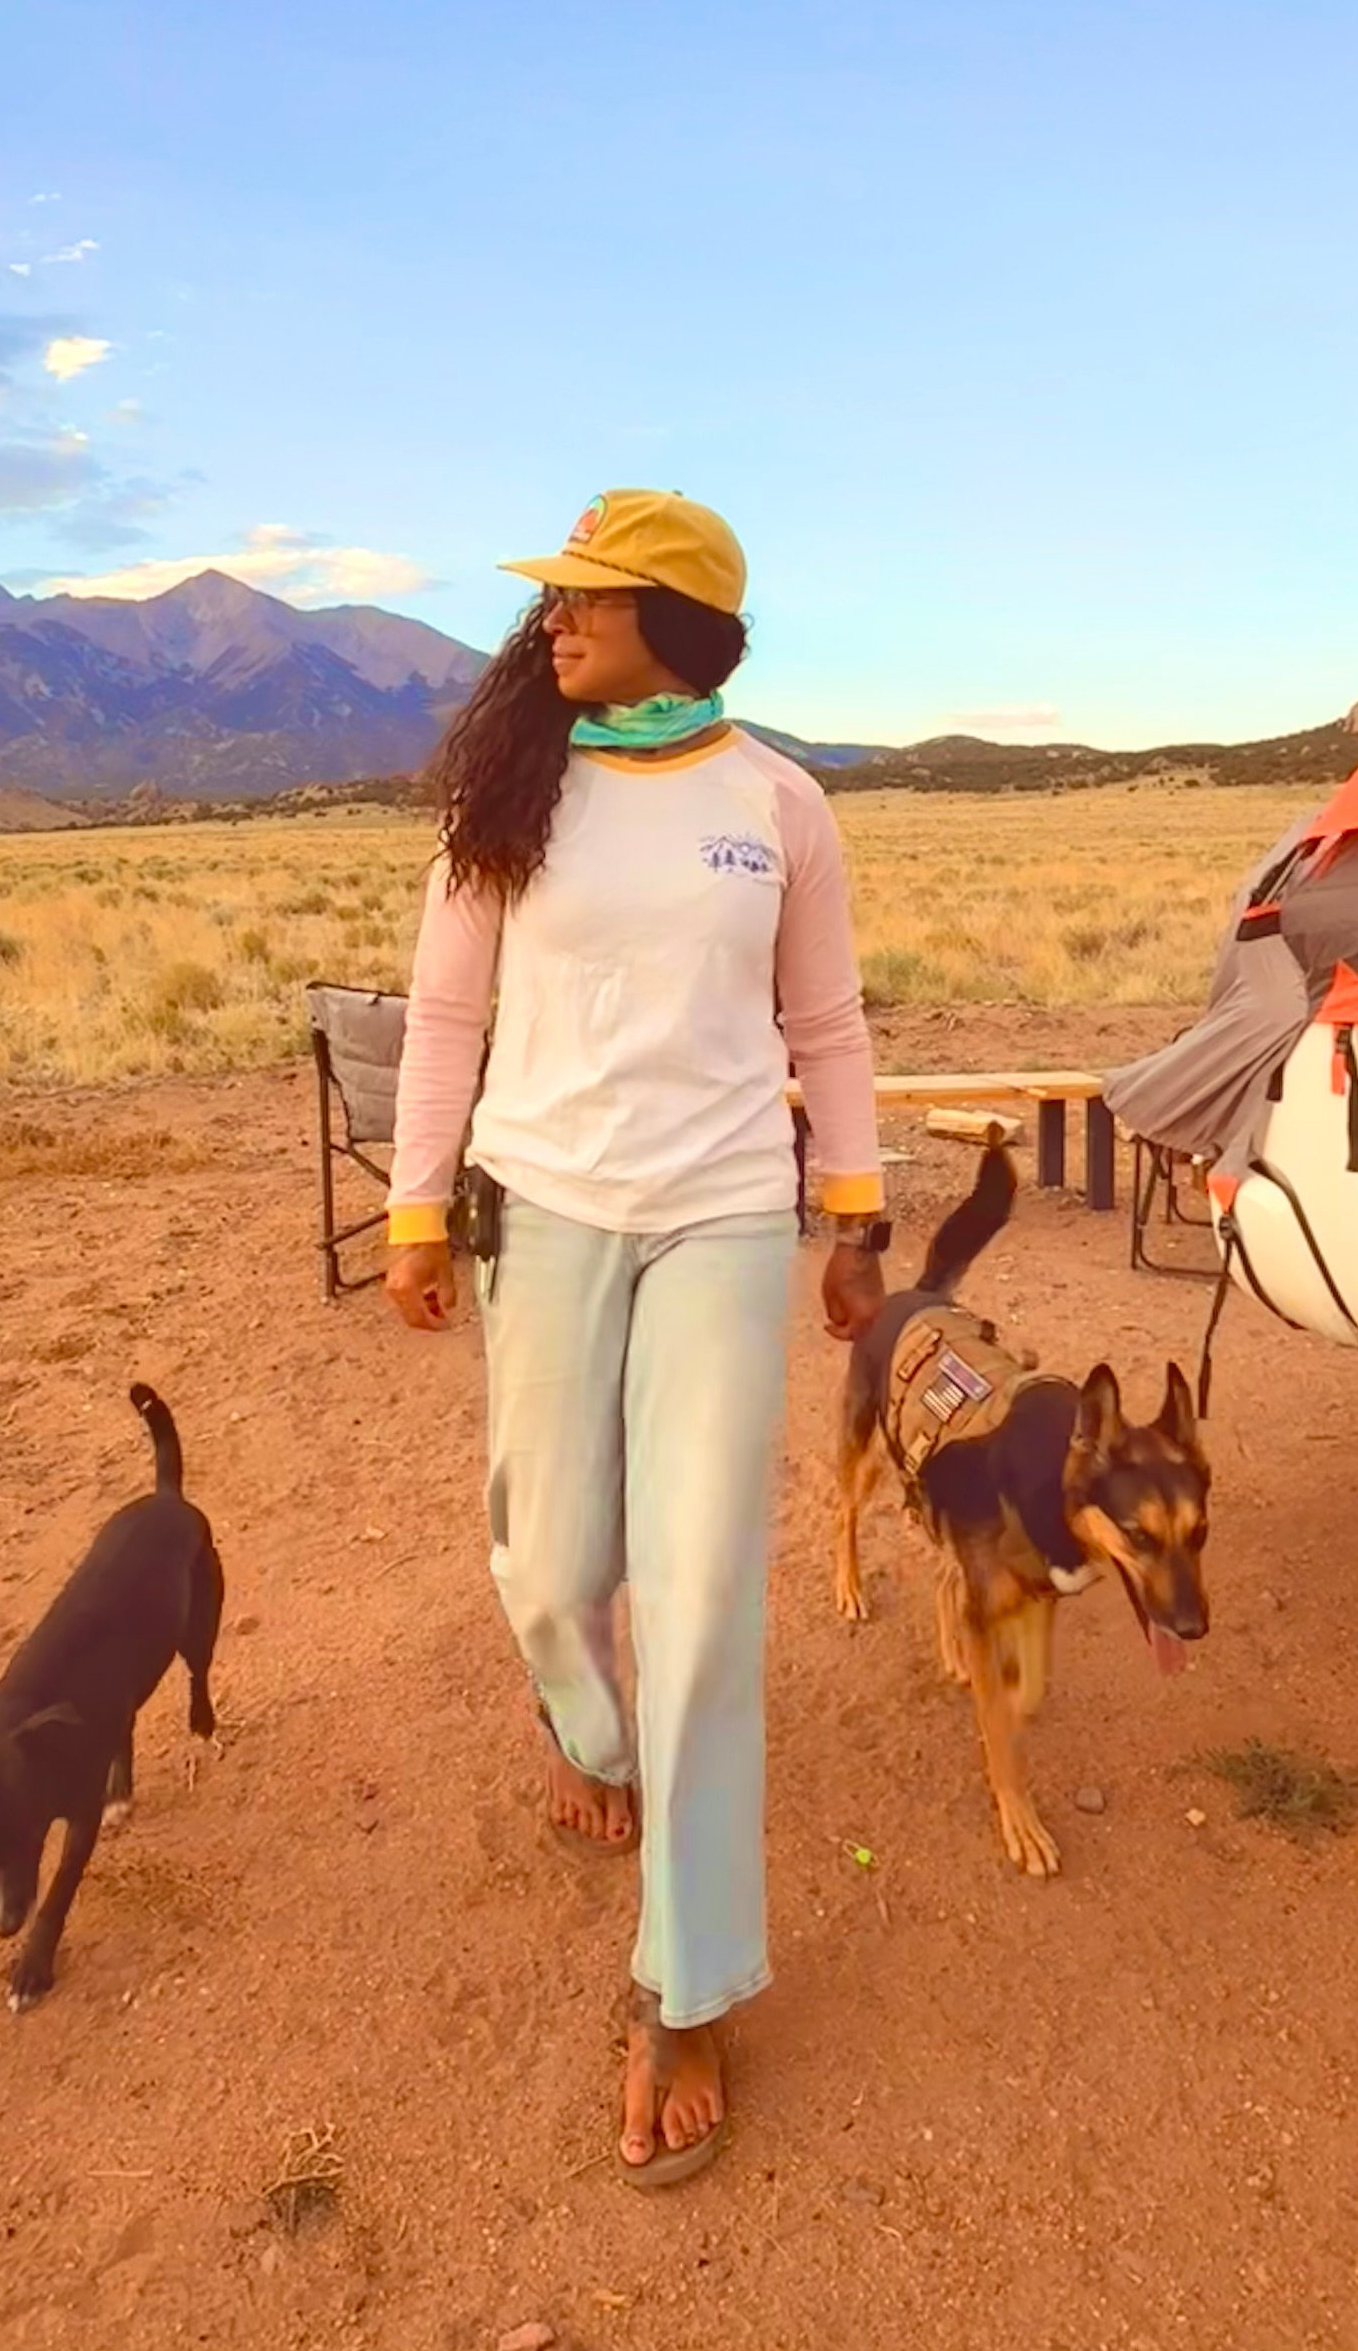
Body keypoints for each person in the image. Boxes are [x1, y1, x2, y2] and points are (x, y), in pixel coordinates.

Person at [384, 489, 887, 2186]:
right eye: (553, 597)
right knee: (553, 1558)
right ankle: (588, 1733)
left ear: (679, 613)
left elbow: (823, 1019)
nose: (555, 620)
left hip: (726, 1220)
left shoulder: (778, 804)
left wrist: (854, 1208)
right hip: (546, 1206)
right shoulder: (510, 799)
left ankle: (687, 1981)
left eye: (587, 594)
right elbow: (447, 1013)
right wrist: (411, 1202)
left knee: (701, 1588)